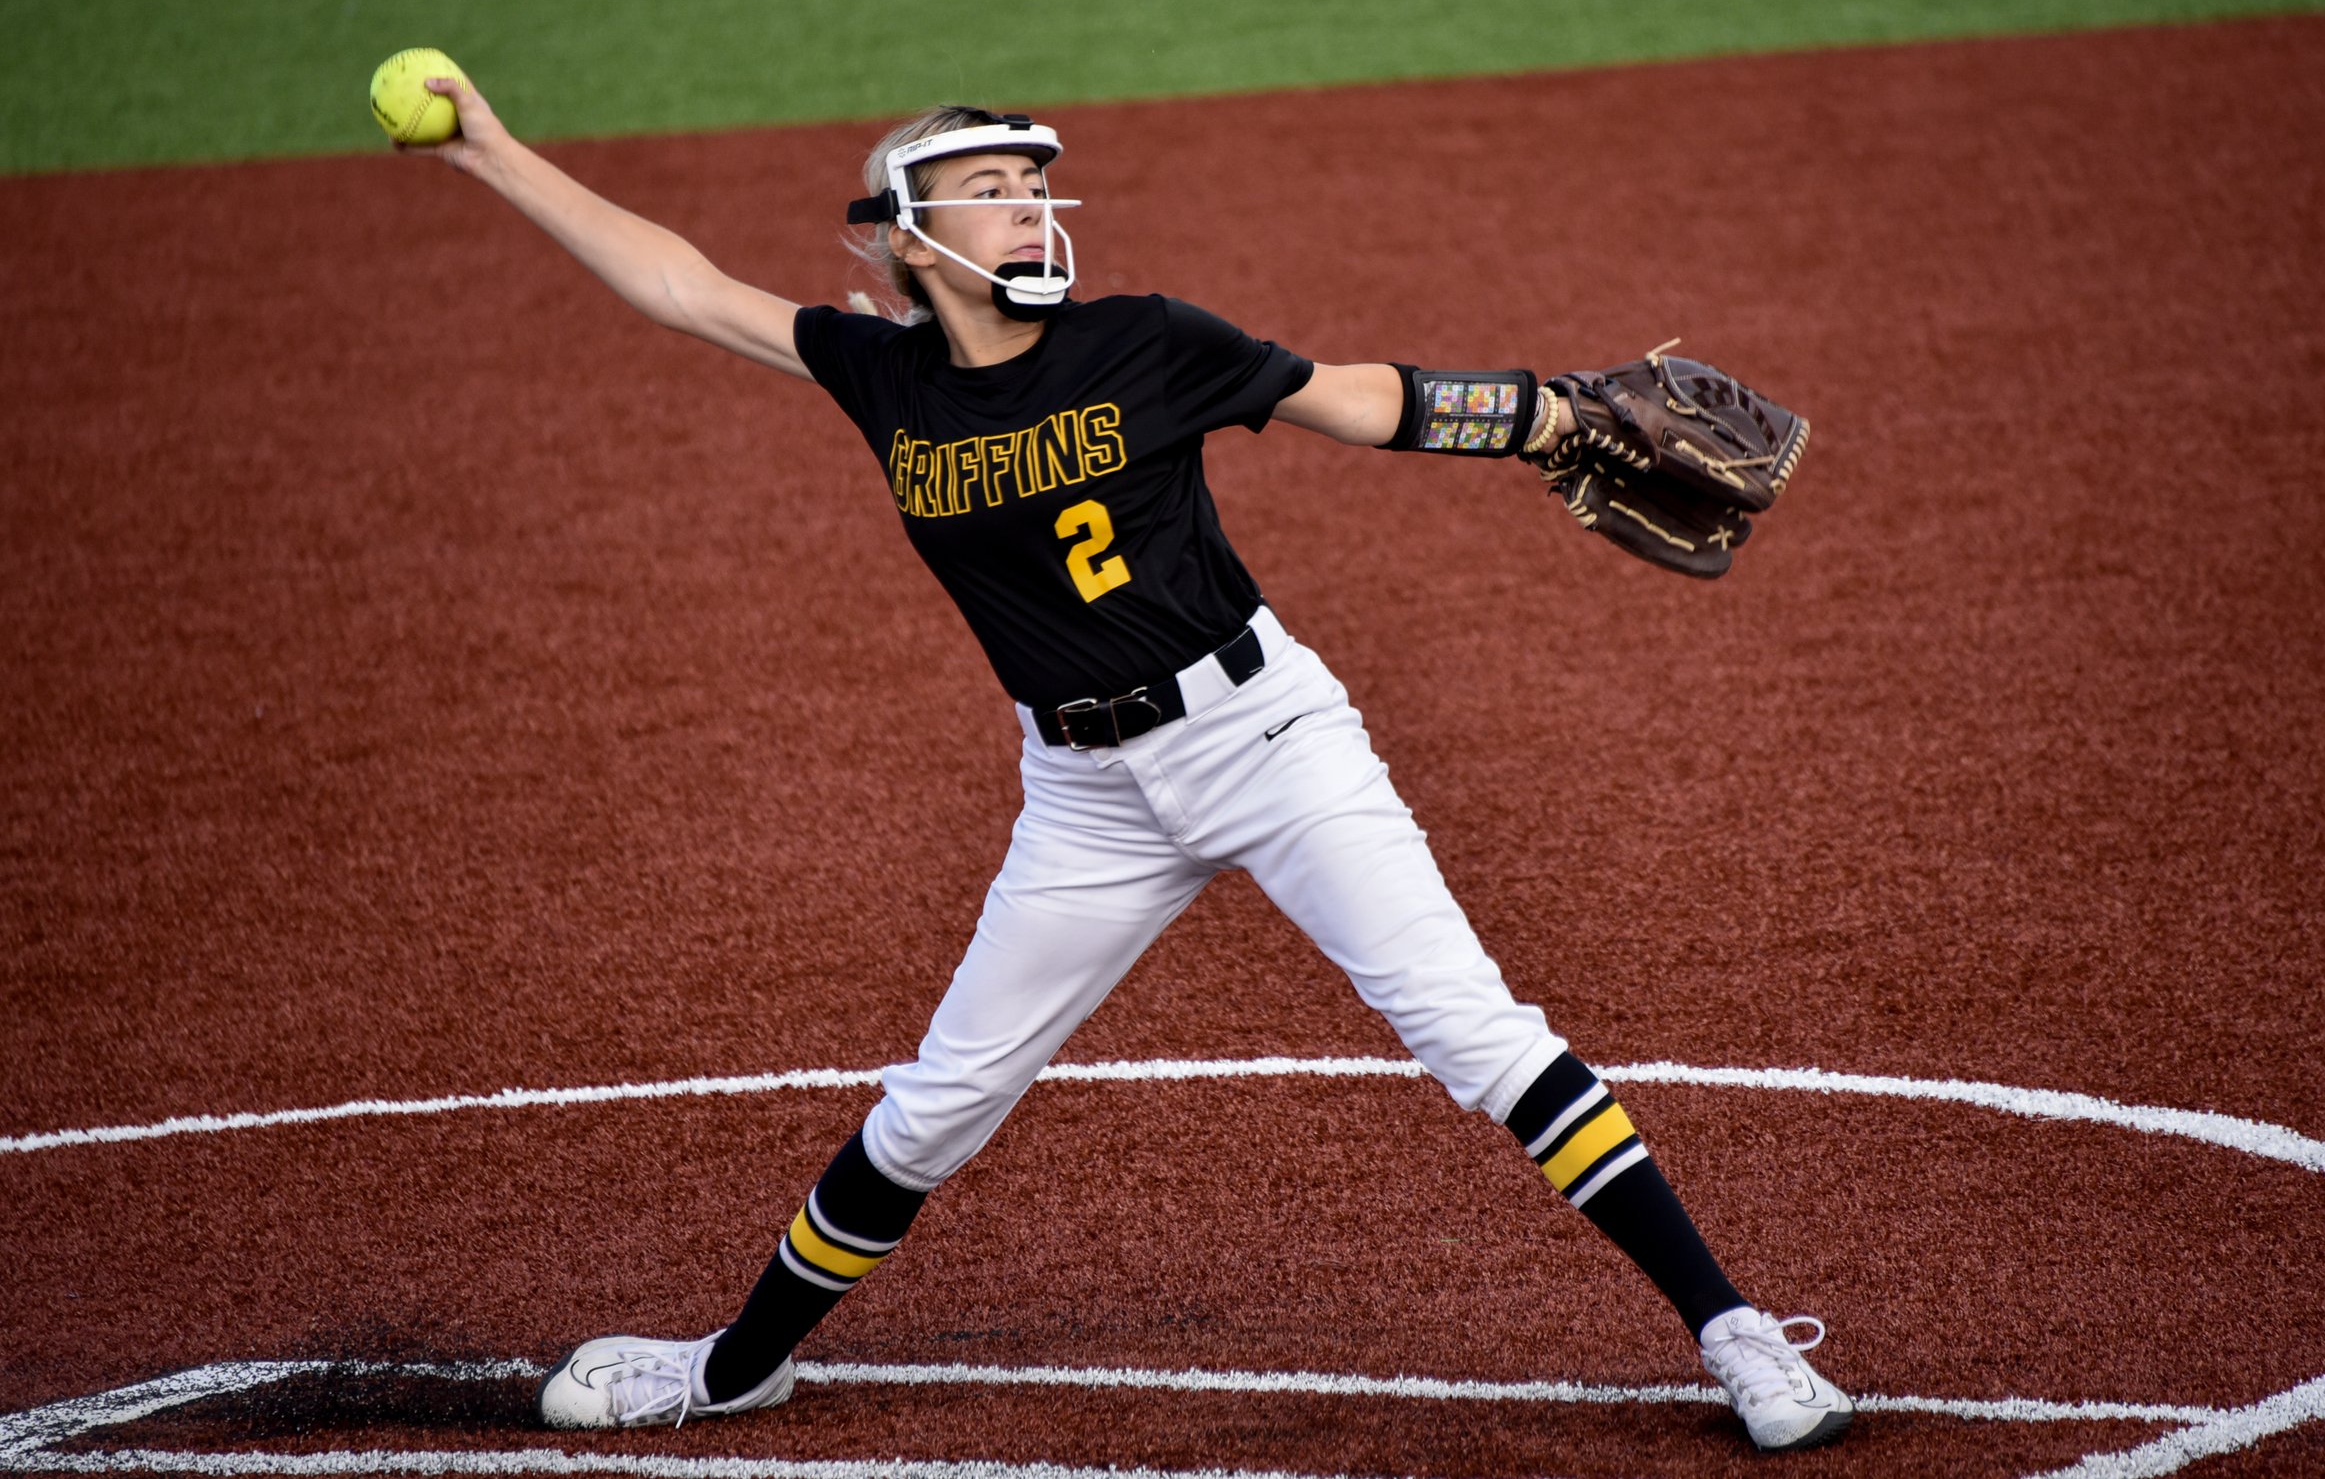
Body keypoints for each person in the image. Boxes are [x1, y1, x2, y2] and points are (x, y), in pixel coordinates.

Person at [407, 81, 1853, 1455]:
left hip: (1266, 737)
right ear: (912, 233)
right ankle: (738, 1365)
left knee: (1469, 1026)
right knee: (941, 1102)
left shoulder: (1143, 339)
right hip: (1085, 795)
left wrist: (1542, 413)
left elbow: (1356, 399)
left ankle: (1736, 1333)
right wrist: (490, 152)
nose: (1031, 209)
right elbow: (680, 282)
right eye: (990, 191)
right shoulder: (884, 376)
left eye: (1037, 186)